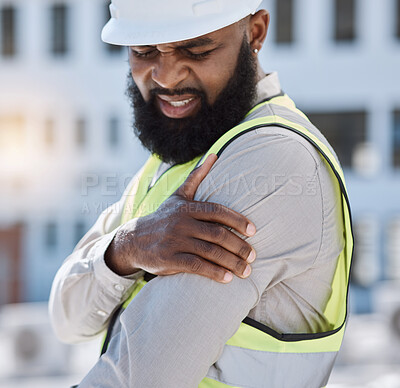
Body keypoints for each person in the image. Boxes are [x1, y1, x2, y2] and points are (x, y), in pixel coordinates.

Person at [49, 0, 353, 387]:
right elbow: (66, 318)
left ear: (255, 32)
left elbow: (140, 378)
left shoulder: (272, 160)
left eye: (196, 49)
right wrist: (124, 250)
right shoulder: (172, 162)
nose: (167, 77)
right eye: (143, 51)